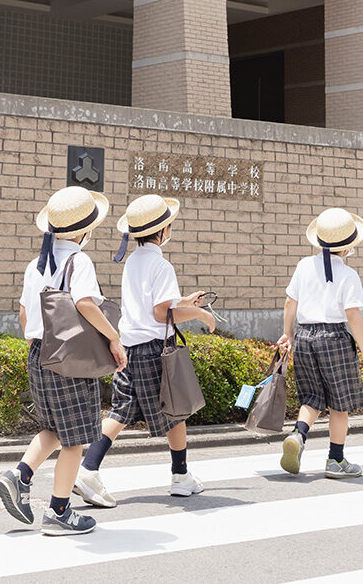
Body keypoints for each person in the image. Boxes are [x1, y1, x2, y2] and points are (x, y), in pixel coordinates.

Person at [0, 187, 127, 536]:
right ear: (84, 231)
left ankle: (19, 475)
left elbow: (24, 314)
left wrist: (39, 340)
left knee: (54, 427)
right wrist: (113, 337)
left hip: (39, 354)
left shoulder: (35, 265)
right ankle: (59, 512)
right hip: (69, 360)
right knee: (74, 440)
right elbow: (85, 303)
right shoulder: (78, 261)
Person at [74, 194, 215, 508]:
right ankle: (180, 477)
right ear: (163, 231)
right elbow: (160, 313)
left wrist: (186, 302)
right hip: (154, 349)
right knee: (175, 409)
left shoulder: (134, 261)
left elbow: (157, 305)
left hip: (128, 347)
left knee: (121, 411)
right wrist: (199, 314)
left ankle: (88, 469)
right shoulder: (161, 265)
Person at [277, 209, 363, 479]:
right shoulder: (348, 275)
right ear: (347, 246)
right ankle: (335, 460)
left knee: (312, 397)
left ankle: (298, 435)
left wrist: (288, 335)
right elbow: (353, 316)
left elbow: (290, 302)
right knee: (339, 404)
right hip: (334, 338)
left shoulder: (303, 265)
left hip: (304, 335)